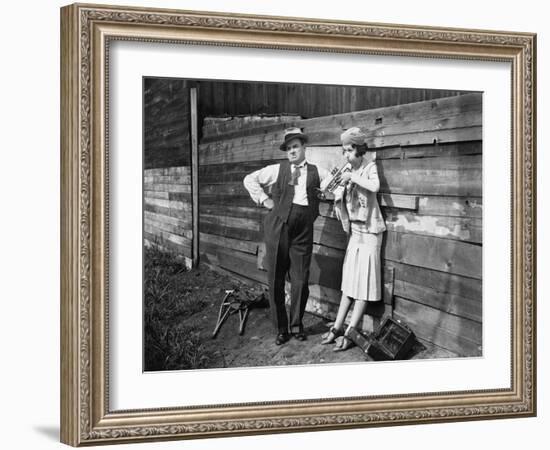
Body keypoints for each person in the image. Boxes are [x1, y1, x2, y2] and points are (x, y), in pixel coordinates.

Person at [243, 127, 329, 345]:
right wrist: (265, 200)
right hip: (278, 226)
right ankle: (281, 328)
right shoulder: (276, 169)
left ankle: (296, 324)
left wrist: (332, 193)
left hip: (303, 230)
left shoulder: (318, 171)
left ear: (304, 147)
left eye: (296, 146)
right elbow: (249, 180)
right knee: (276, 278)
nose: (292, 151)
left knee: (300, 278)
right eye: (289, 148)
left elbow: (334, 188)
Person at [321, 127, 387, 351]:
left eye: (349, 150)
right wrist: (335, 179)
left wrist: (353, 177)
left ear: (360, 150)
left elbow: (375, 187)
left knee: (363, 287)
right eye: (344, 150)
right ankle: (337, 327)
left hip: (370, 234)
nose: (345, 155)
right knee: (349, 284)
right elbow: (325, 189)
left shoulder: (369, 167)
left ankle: (350, 332)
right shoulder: (348, 168)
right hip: (355, 234)